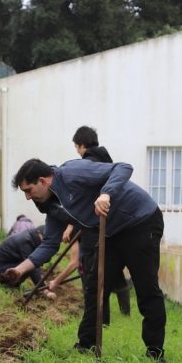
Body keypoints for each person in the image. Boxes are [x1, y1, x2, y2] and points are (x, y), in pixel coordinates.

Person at [7, 158, 167, 363]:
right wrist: (20, 270)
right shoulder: (51, 205)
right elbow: (49, 244)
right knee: (95, 287)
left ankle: (155, 352)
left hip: (140, 221)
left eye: (28, 190)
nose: (28, 197)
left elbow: (123, 167)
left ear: (43, 181)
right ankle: (86, 345)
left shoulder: (72, 172)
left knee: (146, 287)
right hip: (110, 232)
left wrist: (105, 194)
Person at [61, 126, 132, 321]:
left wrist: (69, 225)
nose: (77, 151)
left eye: (77, 147)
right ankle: (125, 312)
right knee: (112, 269)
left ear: (82, 145)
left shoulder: (87, 164)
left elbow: (79, 198)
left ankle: (102, 320)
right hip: (113, 224)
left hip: (94, 225)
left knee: (94, 274)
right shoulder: (106, 161)